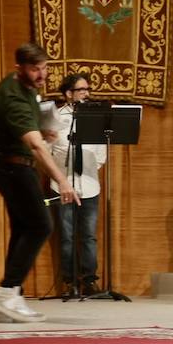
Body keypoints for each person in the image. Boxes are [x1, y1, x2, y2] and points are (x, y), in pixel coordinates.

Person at [0, 43, 78, 323]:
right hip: (11, 167)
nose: (42, 74)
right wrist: (62, 181)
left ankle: (11, 296)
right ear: (19, 68)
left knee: (23, 228)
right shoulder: (12, 95)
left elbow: (32, 133)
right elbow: (36, 148)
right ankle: (5, 292)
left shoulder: (26, 88)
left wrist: (43, 130)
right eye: (35, 69)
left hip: (15, 165)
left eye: (45, 67)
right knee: (41, 225)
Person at [47, 74, 107, 295]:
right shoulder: (55, 117)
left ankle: (89, 281)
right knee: (67, 236)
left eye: (87, 89)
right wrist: (62, 176)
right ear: (68, 93)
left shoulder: (95, 116)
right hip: (61, 186)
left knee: (89, 235)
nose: (86, 93)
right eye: (81, 89)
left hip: (90, 185)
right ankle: (70, 283)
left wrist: (88, 171)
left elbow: (101, 152)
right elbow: (47, 151)